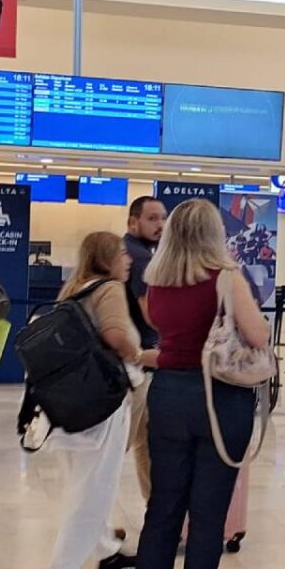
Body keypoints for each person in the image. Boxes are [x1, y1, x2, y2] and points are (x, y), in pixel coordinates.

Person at [136, 199, 270, 569]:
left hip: (167, 395)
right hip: (219, 400)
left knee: (163, 509)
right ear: (215, 233)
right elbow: (257, 334)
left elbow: (168, 338)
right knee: (208, 516)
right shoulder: (226, 276)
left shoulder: (157, 281)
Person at [46, 232, 152, 569]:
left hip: (69, 405)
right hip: (101, 406)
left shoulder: (75, 289)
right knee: (92, 492)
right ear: (107, 258)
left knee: (82, 484)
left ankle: (106, 555)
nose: (129, 259)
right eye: (122, 253)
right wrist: (140, 355)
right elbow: (115, 335)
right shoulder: (109, 289)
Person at [123, 196, 167, 502]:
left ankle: (157, 513)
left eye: (162, 218)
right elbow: (151, 312)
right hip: (139, 365)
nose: (160, 225)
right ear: (133, 221)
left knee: (144, 443)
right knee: (136, 443)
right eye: (152, 218)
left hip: (130, 363)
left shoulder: (127, 252)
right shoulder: (140, 258)